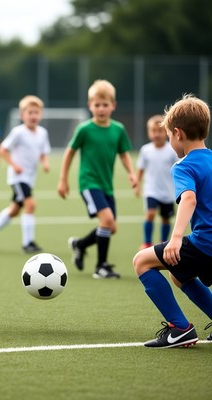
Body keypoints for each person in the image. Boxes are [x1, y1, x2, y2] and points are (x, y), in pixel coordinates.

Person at [133, 94, 212, 348]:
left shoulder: (183, 166)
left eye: (168, 135)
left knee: (142, 261)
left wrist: (176, 238)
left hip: (205, 243)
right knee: (179, 275)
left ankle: (180, 329)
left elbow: (188, 198)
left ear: (177, 133)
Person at [57, 79, 137, 279]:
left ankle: (80, 244)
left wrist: (132, 172)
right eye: (97, 105)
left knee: (112, 227)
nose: (101, 109)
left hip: (106, 185)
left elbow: (124, 153)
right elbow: (69, 152)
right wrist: (63, 180)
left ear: (113, 106)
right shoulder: (84, 129)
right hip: (89, 183)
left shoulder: (118, 129)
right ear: (90, 105)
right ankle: (101, 267)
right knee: (107, 220)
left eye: (105, 105)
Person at [0, 95, 50, 253]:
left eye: (36, 112)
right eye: (30, 112)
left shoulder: (42, 133)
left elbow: (44, 152)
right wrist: (15, 165)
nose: (33, 116)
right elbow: (2, 149)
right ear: (22, 115)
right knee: (30, 205)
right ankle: (28, 243)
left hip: (30, 178)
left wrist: (45, 162)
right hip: (18, 177)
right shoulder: (18, 132)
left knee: (14, 210)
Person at [135, 115, 178, 249]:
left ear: (166, 132)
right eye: (153, 131)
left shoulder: (171, 150)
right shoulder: (145, 150)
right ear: (149, 132)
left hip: (167, 191)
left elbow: (177, 168)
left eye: (159, 131)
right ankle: (147, 242)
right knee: (150, 213)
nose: (156, 134)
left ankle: (163, 242)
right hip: (151, 190)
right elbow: (141, 169)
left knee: (166, 218)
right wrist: (137, 184)